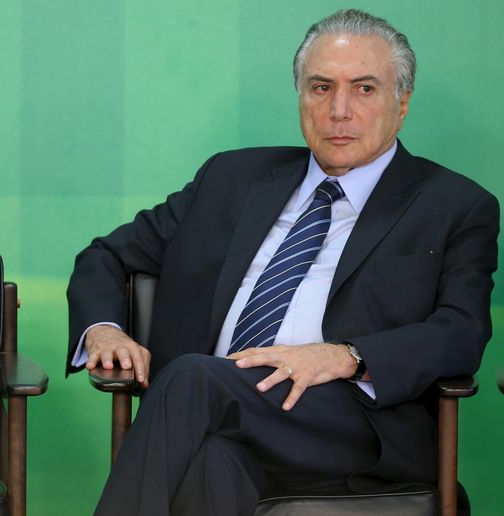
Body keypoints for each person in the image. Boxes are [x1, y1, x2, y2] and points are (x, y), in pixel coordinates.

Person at [65, 9, 499, 516]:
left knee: (191, 380)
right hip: (216, 418)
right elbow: (108, 254)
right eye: (320, 88)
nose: (339, 110)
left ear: (400, 104)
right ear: (301, 97)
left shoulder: (455, 205)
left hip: (349, 425)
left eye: (364, 89)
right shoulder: (230, 178)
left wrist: (346, 355)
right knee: (209, 460)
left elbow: (461, 331)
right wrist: (103, 330)